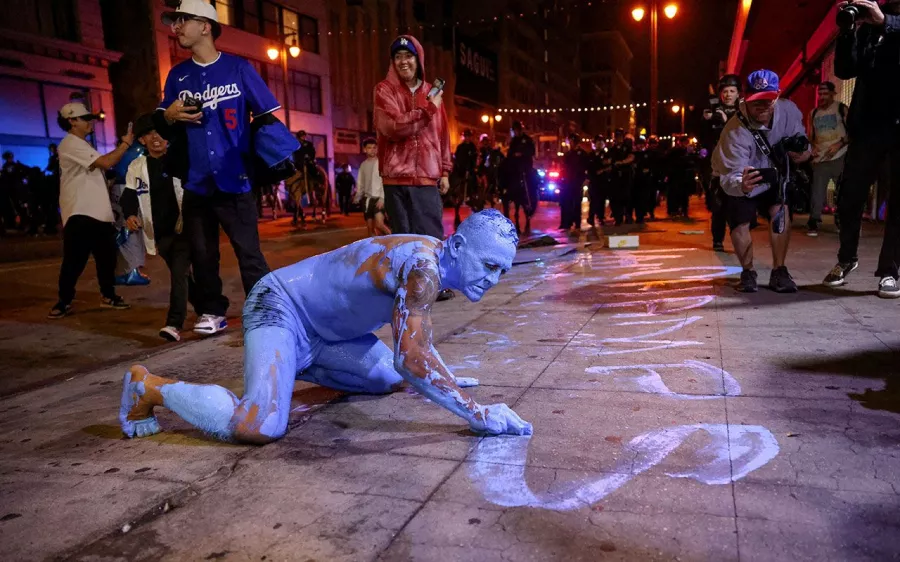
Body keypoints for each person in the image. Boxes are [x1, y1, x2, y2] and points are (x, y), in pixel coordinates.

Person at [119, 209, 532, 443]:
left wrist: (442, 374)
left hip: (324, 336)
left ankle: (290, 365)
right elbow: (413, 356)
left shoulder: (430, 259)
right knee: (259, 426)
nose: (493, 279)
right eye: (489, 265)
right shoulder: (423, 269)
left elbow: (416, 343)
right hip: (281, 307)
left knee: (389, 377)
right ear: (457, 246)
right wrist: (477, 412)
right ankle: (148, 387)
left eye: (503, 271)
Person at [154, 0, 279, 335]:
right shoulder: (178, 75)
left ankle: (266, 308)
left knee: (248, 250)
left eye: (182, 20)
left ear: (205, 25)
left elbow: (267, 114)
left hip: (235, 177)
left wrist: (264, 158)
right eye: (174, 21)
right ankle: (211, 311)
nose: (175, 27)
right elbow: (162, 122)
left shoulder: (239, 69)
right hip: (196, 180)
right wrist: (169, 115)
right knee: (203, 253)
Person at [822, 0, 900, 298]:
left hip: (898, 129)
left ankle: (890, 271)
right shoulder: (868, 24)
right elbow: (844, 70)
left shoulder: (884, 21)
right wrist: (848, 31)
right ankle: (846, 259)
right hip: (868, 128)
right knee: (849, 198)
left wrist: (886, 23)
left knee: (897, 204)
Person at [712, 70, 812, 294]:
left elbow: (803, 145)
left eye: (768, 100)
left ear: (777, 96)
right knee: (740, 221)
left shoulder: (788, 111)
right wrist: (742, 185)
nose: (763, 107)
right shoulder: (733, 131)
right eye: (756, 102)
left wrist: (802, 153)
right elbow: (730, 176)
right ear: (745, 99)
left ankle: (780, 270)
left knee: (781, 211)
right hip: (740, 174)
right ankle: (747, 271)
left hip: (773, 172)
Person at [374, 35, 454, 301]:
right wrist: (428, 109)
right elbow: (394, 127)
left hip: (427, 177)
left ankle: (433, 283)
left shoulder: (432, 92)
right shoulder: (384, 90)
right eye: (397, 57)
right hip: (396, 177)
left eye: (408, 56)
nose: (403, 61)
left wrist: (444, 169)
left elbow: (442, 134)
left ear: (418, 60)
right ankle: (409, 287)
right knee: (403, 237)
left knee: (430, 233)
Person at [49, 102, 134, 318]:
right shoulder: (70, 143)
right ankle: (63, 301)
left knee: (106, 258)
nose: (90, 122)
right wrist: (125, 145)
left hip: (97, 212)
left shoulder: (84, 145)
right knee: (74, 260)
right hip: (80, 211)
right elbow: (105, 162)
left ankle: (108, 295)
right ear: (72, 121)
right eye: (85, 118)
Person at [120, 114, 197, 342]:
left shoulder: (181, 159)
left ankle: (174, 323)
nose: (155, 138)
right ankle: (207, 306)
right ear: (142, 140)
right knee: (182, 275)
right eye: (149, 134)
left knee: (179, 271)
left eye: (159, 133)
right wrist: (130, 214)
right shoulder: (137, 166)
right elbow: (129, 196)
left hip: (185, 228)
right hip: (159, 233)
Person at [703, 74, 741, 251]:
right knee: (718, 205)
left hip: (739, 164)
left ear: (738, 93)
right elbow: (705, 136)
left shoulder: (744, 112)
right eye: (725, 91)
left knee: (738, 206)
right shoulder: (713, 112)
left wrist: (727, 122)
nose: (728, 94)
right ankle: (717, 240)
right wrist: (708, 119)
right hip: (718, 165)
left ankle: (739, 239)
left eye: (732, 91)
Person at [807, 81, 849, 237]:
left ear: (833, 94)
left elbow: (852, 131)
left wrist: (839, 144)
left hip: (840, 155)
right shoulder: (814, 112)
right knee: (817, 191)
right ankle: (814, 221)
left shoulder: (840, 108)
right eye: (820, 94)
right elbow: (810, 134)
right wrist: (813, 147)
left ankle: (841, 221)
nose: (822, 97)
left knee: (842, 191)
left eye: (825, 94)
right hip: (821, 157)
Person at [504, 120, 537, 232]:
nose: (516, 132)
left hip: (525, 167)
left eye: (517, 130)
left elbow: (532, 152)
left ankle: (530, 200)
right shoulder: (513, 141)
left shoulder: (527, 140)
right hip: (515, 167)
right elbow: (509, 154)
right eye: (514, 130)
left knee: (530, 181)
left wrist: (522, 154)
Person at [353, 138, 390, 237]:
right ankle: (376, 249)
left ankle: (396, 242)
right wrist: (357, 197)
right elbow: (360, 183)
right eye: (369, 148)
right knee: (370, 228)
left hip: (378, 199)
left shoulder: (381, 163)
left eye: (374, 148)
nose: (372, 150)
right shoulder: (363, 165)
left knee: (379, 224)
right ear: (364, 149)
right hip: (367, 200)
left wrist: (382, 198)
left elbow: (385, 181)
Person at [559, 133, 589, 232]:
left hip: (577, 181)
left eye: (571, 141)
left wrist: (585, 179)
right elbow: (564, 167)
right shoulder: (568, 154)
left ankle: (577, 222)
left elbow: (586, 167)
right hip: (568, 181)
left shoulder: (582, 154)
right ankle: (566, 222)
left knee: (576, 202)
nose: (570, 143)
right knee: (566, 202)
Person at [451, 129, 479, 226]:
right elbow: (457, 159)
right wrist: (460, 168)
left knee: (474, 181)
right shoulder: (460, 147)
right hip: (461, 171)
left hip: (470, 171)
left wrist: (471, 167)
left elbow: (474, 159)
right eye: (466, 136)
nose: (467, 138)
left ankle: (474, 196)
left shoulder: (473, 147)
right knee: (456, 183)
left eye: (469, 136)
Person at [608, 129, 635, 226]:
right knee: (615, 198)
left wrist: (622, 162)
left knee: (627, 197)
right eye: (617, 136)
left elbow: (631, 157)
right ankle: (617, 217)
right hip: (615, 176)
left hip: (626, 175)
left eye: (620, 136)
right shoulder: (612, 149)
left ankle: (628, 216)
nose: (619, 138)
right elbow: (609, 160)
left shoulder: (627, 147)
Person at [587, 135, 611, 227]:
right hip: (593, 181)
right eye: (598, 142)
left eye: (601, 142)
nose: (599, 144)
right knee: (593, 200)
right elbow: (589, 168)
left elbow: (608, 166)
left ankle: (601, 217)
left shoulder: (606, 154)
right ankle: (591, 217)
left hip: (603, 181)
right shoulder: (591, 155)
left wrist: (603, 170)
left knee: (602, 200)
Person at [43, 144, 61, 235]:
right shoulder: (53, 158)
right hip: (56, 178)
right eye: (51, 149)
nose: (53, 150)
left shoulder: (60, 156)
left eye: (53, 149)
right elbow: (49, 167)